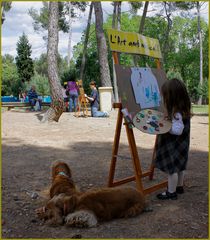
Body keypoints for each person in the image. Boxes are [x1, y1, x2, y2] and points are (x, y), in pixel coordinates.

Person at [155, 78, 191, 200]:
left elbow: (177, 130)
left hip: (174, 145)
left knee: (172, 170)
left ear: (171, 97)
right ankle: (179, 187)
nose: (163, 99)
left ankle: (171, 192)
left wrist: (166, 127)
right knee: (180, 167)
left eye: (165, 96)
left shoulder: (176, 113)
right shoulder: (181, 110)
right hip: (181, 145)